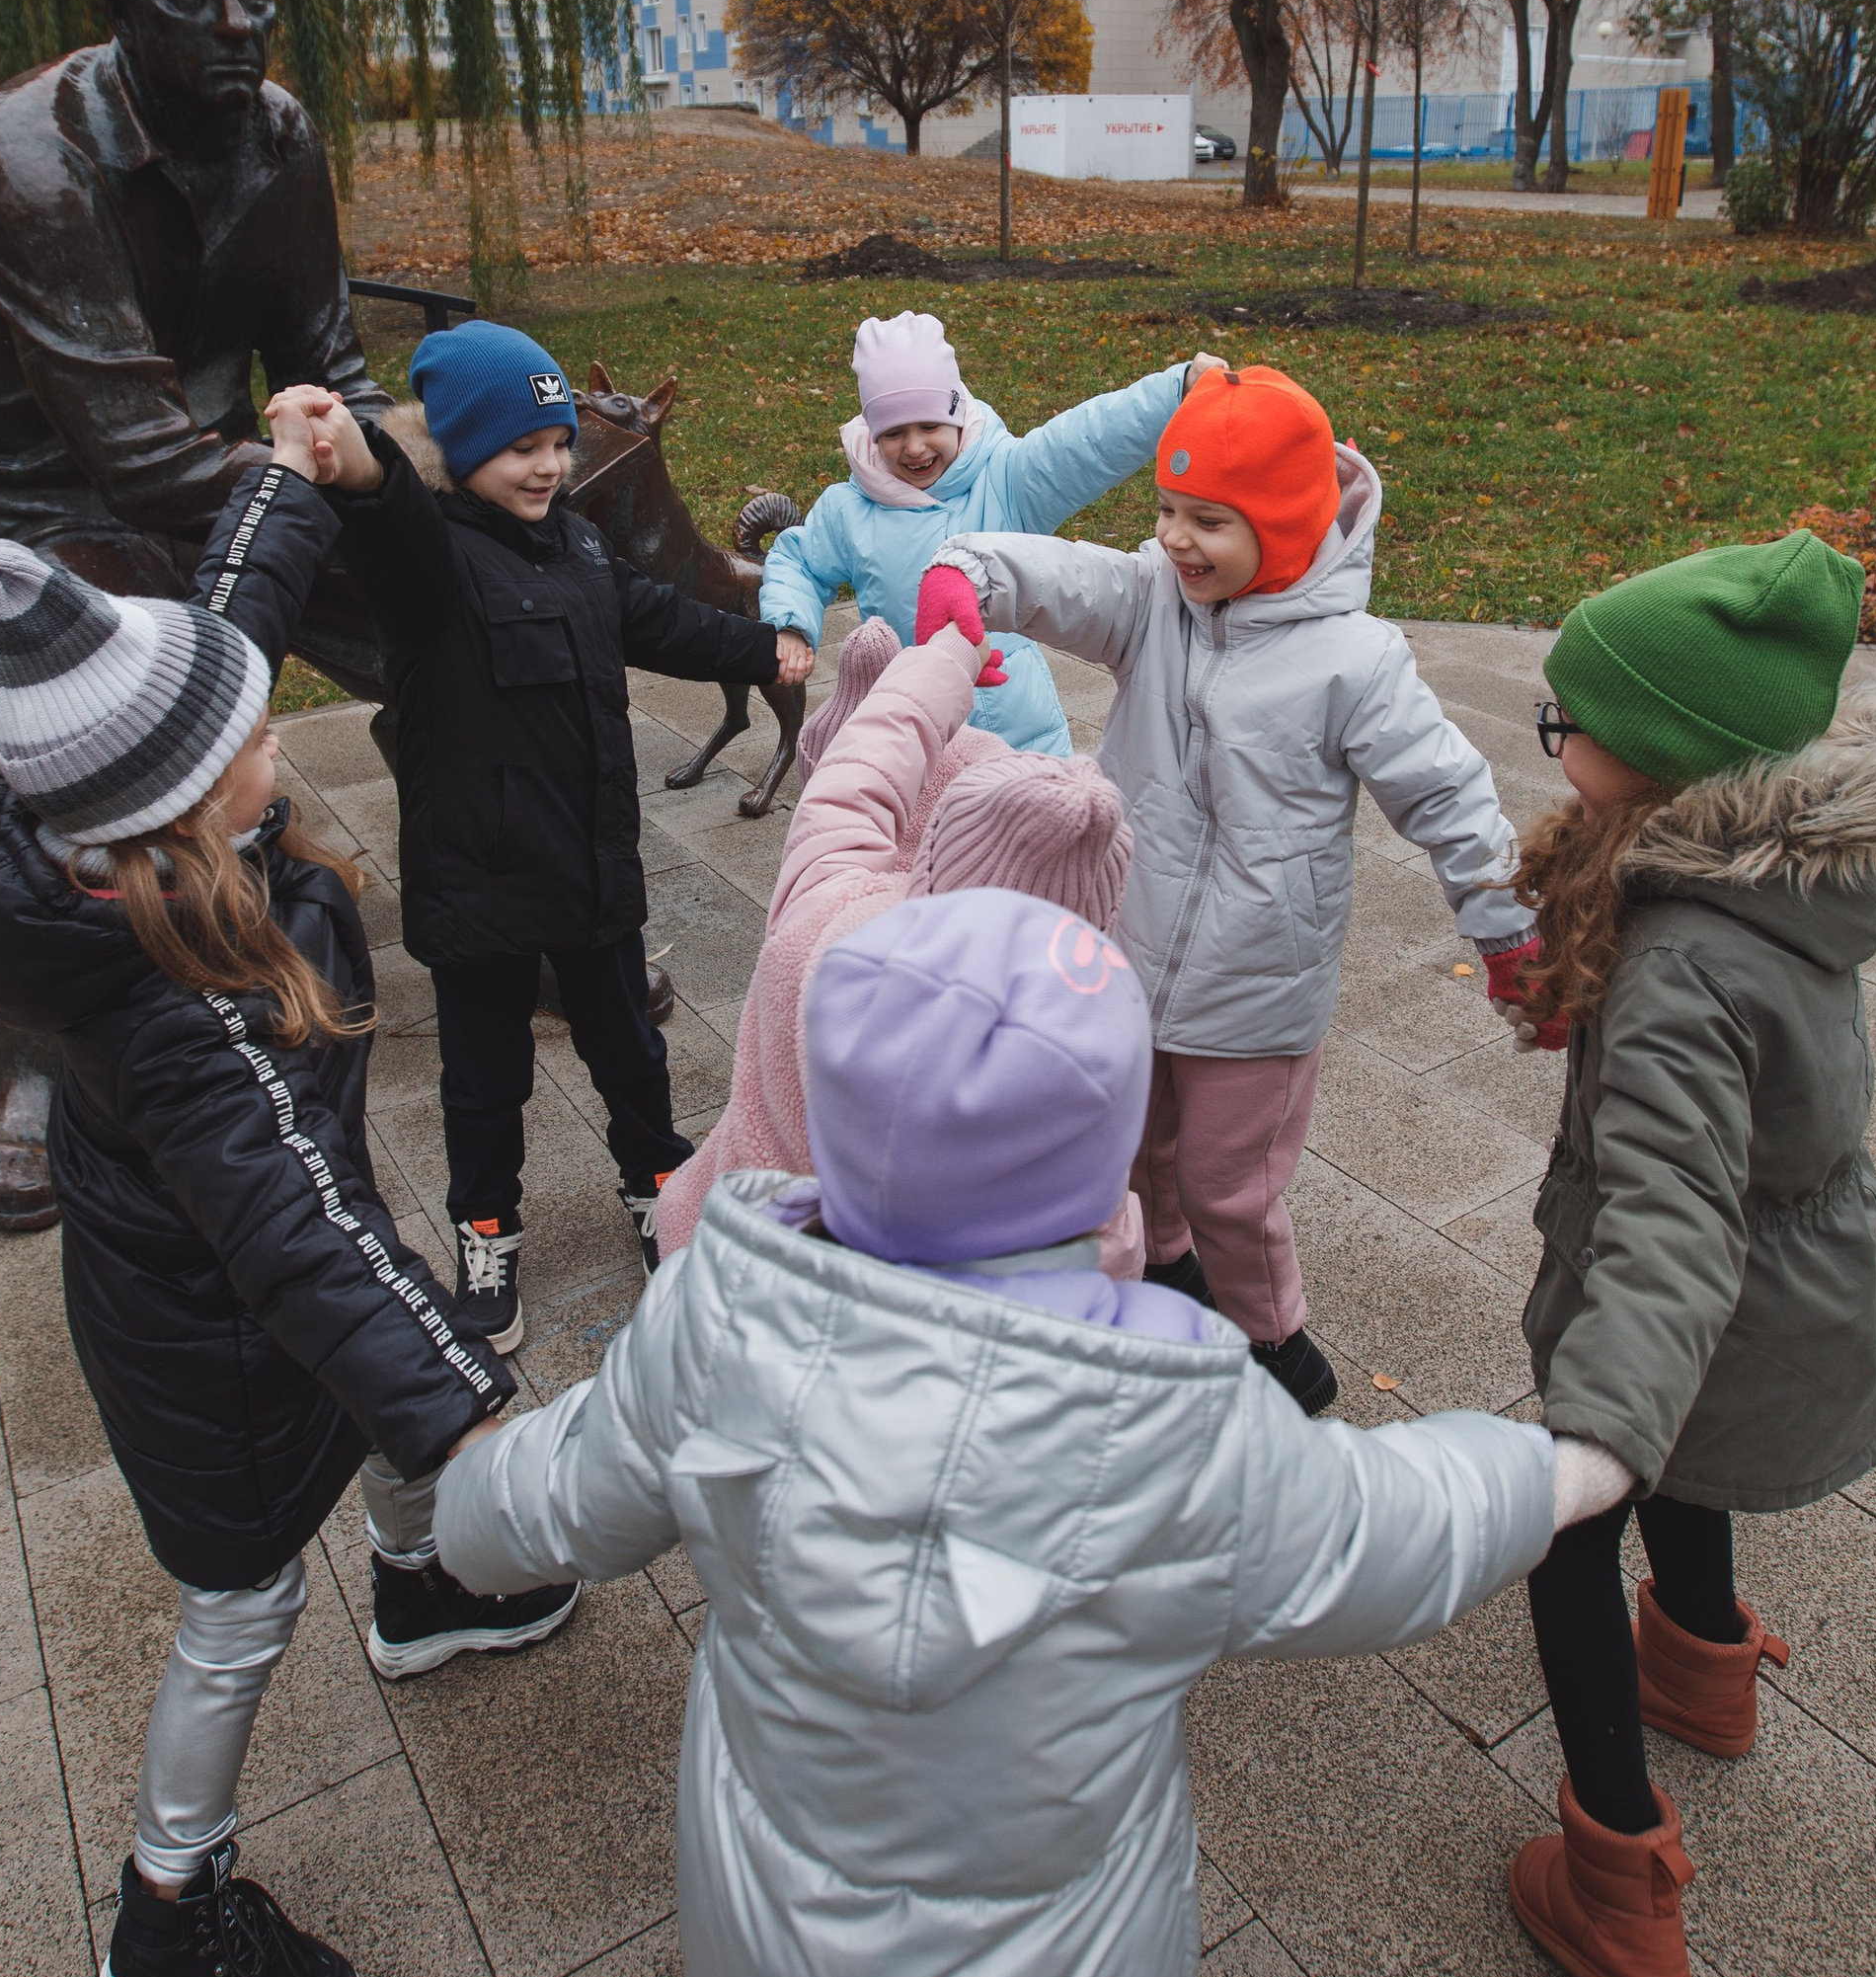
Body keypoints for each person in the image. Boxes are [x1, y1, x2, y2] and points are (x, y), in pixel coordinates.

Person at [432, 887, 1615, 1977]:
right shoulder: (1180, 1426)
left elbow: (546, 1501)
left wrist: (457, 1496)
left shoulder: (718, 1316)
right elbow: (1384, 1527)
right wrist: (1560, 1469)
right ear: (1104, 1164)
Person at [0, 452, 568, 1977]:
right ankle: (168, 1912)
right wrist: (476, 1410)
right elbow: (300, 1245)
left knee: (372, 1374)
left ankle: (420, 1587)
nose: (279, 739)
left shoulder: (113, 827)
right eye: (259, 738)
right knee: (243, 1601)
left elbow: (229, 623)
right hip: (210, 1346)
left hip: (244, 1279)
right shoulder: (180, 1016)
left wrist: (290, 472)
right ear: (193, 799)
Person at [1492, 531, 1876, 1977]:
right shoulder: (1787, 884)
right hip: (1780, 1291)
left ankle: (1617, 1882)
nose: (1554, 737)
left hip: (1694, 1303)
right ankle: (1701, 1667)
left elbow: (1674, 1214)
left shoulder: (1682, 963)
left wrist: (1595, 1433)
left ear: (1665, 757)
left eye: (1570, 721)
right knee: (1685, 1470)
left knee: (1577, 1530)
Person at [932, 360, 1533, 1417]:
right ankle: (1165, 1272)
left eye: (1208, 520)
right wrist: (967, 576)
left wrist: (1507, 929)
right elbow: (1056, 574)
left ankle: (1275, 1346)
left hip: (1257, 982)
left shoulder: (1354, 661)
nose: (1174, 539)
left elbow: (1448, 795)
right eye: (1166, 508)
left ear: (1286, 525)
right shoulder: (1152, 602)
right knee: (1132, 1152)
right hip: (1130, 948)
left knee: (1228, 1186)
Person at [0, 0, 394, 1228]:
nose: (239, 23)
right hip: (61, 499)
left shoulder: (280, 133)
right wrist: (311, 479)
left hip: (235, 468)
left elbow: (328, 356)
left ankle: (505, 912)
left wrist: (396, 485)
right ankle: (50, 1032)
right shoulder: (23, 155)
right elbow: (131, 450)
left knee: (454, 610)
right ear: (122, 7)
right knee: (120, 715)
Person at [265, 342, 812, 1347]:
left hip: (592, 871)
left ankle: (659, 1191)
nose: (550, 465)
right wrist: (347, 449)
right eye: (521, 448)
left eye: (559, 443)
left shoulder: (580, 546)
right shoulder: (427, 563)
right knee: (483, 1084)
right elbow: (383, 506)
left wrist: (761, 647)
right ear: (464, 450)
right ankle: (487, 1230)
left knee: (630, 1056)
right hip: (479, 891)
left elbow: (657, 618)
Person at [651, 612, 1136, 1264]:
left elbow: (852, 789)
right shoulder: (1092, 1056)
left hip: (735, 1262)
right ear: (1096, 922)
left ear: (935, 860)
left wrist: (947, 661)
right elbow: (1112, 1250)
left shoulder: (834, 924)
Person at [754, 313, 1216, 756]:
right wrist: (791, 624)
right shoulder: (848, 508)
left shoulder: (1008, 479)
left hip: (1015, 732)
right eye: (893, 432)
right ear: (873, 434)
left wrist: (1173, 391)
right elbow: (801, 563)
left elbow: (1088, 442)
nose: (914, 447)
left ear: (958, 416)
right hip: (906, 725)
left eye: (930, 426)